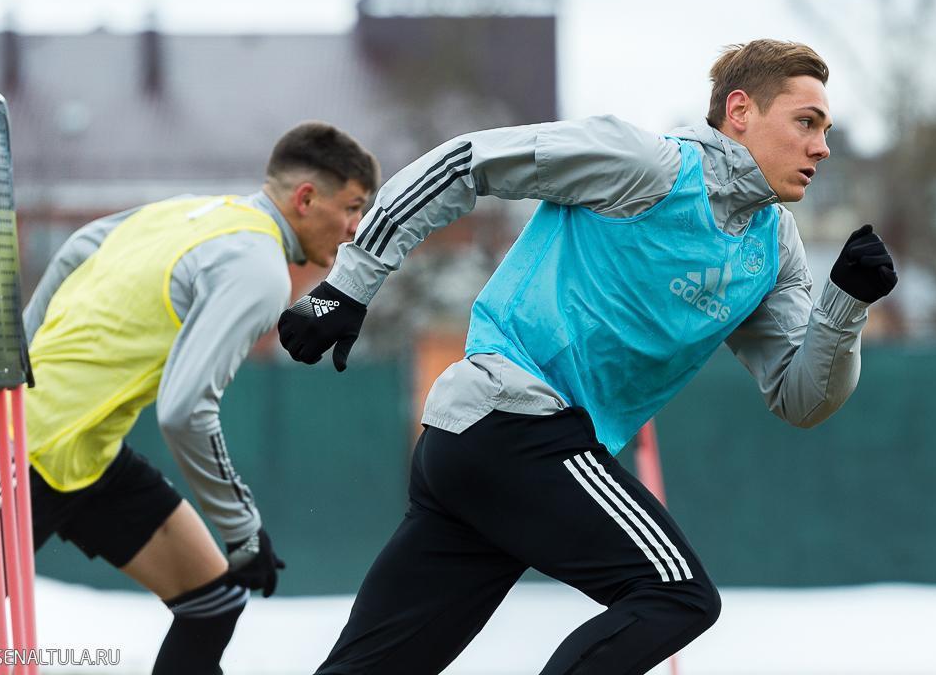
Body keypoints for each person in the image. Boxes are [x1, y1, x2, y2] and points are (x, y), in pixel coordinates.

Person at [279, 40, 897, 675]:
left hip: (483, 455)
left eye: (826, 129)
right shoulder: (644, 165)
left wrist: (844, 303)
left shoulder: (775, 250)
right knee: (676, 595)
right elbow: (463, 163)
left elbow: (801, 399)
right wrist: (346, 286)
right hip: (513, 422)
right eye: (806, 122)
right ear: (740, 111)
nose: (822, 147)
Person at [0, 122, 378, 675]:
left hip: (87, 455)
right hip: (21, 449)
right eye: (352, 208)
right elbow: (185, 411)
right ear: (306, 198)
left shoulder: (195, 211)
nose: (356, 227)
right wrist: (243, 528)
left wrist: (21, 351)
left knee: (212, 600)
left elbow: (78, 248)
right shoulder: (261, 270)